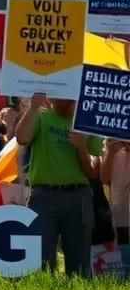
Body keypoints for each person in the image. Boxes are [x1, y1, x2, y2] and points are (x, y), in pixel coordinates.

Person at [15, 92, 104, 277]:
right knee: (39, 263)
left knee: (79, 266)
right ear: (52, 97)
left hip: (78, 196)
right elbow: (22, 138)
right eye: (60, 95)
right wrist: (32, 107)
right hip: (43, 197)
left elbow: (93, 173)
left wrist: (81, 146)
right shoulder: (41, 117)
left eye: (69, 96)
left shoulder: (88, 121)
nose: (65, 100)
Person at [101, 139, 130, 245]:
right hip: (119, 214)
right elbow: (104, 178)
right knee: (123, 248)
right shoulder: (111, 141)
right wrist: (111, 152)